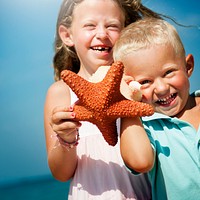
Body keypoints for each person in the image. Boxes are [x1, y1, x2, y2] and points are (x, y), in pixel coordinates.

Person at [44, 0, 163, 199]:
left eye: (112, 26)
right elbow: (61, 173)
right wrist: (65, 138)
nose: (102, 34)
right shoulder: (61, 92)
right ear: (68, 35)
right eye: (90, 25)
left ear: (126, 32)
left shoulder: (136, 85)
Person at [113, 17, 200, 200]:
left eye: (168, 72)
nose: (161, 89)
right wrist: (128, 103)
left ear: (188, 66)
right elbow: (140, 162)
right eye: (145, 82)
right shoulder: (147, 128)